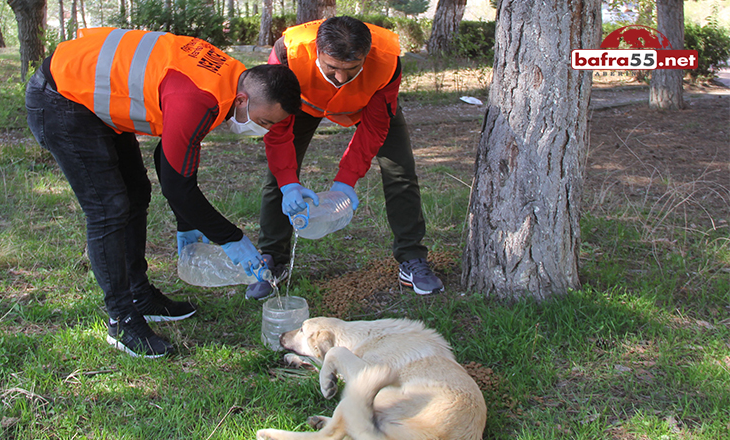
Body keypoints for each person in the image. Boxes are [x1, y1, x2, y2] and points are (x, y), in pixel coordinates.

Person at [25, 28, 301, 358]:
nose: (265, 129)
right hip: (62, 97)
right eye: (265, 121)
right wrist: (233, 239)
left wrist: (188, 225)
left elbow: (169, 157)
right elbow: (177, 187)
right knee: (109, 208)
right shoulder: (199, 98)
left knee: (136, 193)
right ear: (243, 100)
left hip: (93, 96)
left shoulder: (230, 80)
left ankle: (140, 295)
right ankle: (121, 318)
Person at [246, 16, 444, 300]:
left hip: (365, 103)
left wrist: (346, 181)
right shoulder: (287, 54)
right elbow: (278, 132)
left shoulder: (387, 62)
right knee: (276, 178)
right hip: (303, 103)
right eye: (332, 68)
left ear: (366, 55)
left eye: (351, 69)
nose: (341, 79)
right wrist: (289, 182)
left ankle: (412, 258)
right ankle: (273, 259)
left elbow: (375, 127)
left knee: (400, 171)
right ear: (316, 51)